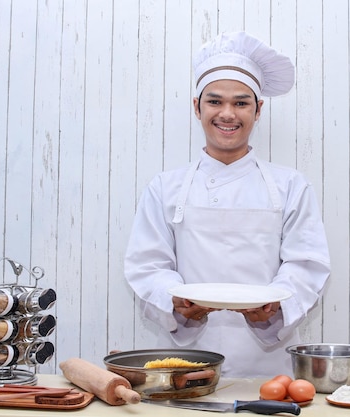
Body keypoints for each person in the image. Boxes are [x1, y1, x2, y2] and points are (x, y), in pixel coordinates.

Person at [125, 31, 330, 377]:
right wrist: (172, 300)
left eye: (241, 102)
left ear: (258, 109)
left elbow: (306, 264)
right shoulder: (164, 187)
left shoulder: (291, 185)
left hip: (266, 366)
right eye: (215, 101)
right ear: (197, 107)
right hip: (186, 363)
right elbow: (148, 264)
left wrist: (277, 301)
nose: (227, 114)